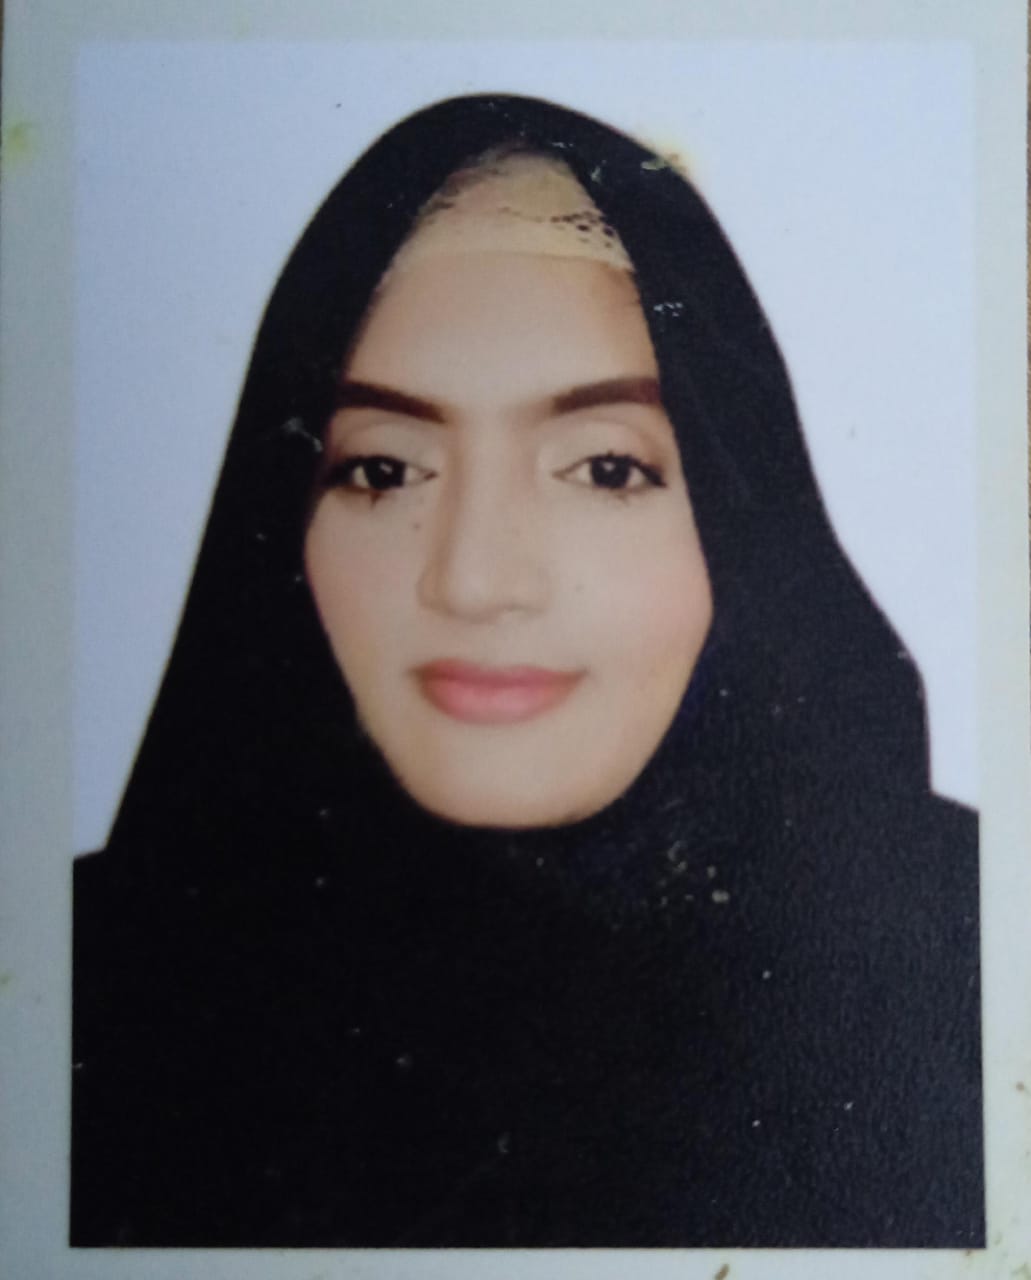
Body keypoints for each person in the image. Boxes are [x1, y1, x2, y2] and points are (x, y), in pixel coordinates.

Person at [71, 93, 983, 1248]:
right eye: (383, 470)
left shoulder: (972, 941)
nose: (474, 579)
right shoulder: (84, 975)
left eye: (603, 468)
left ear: (740, 516)